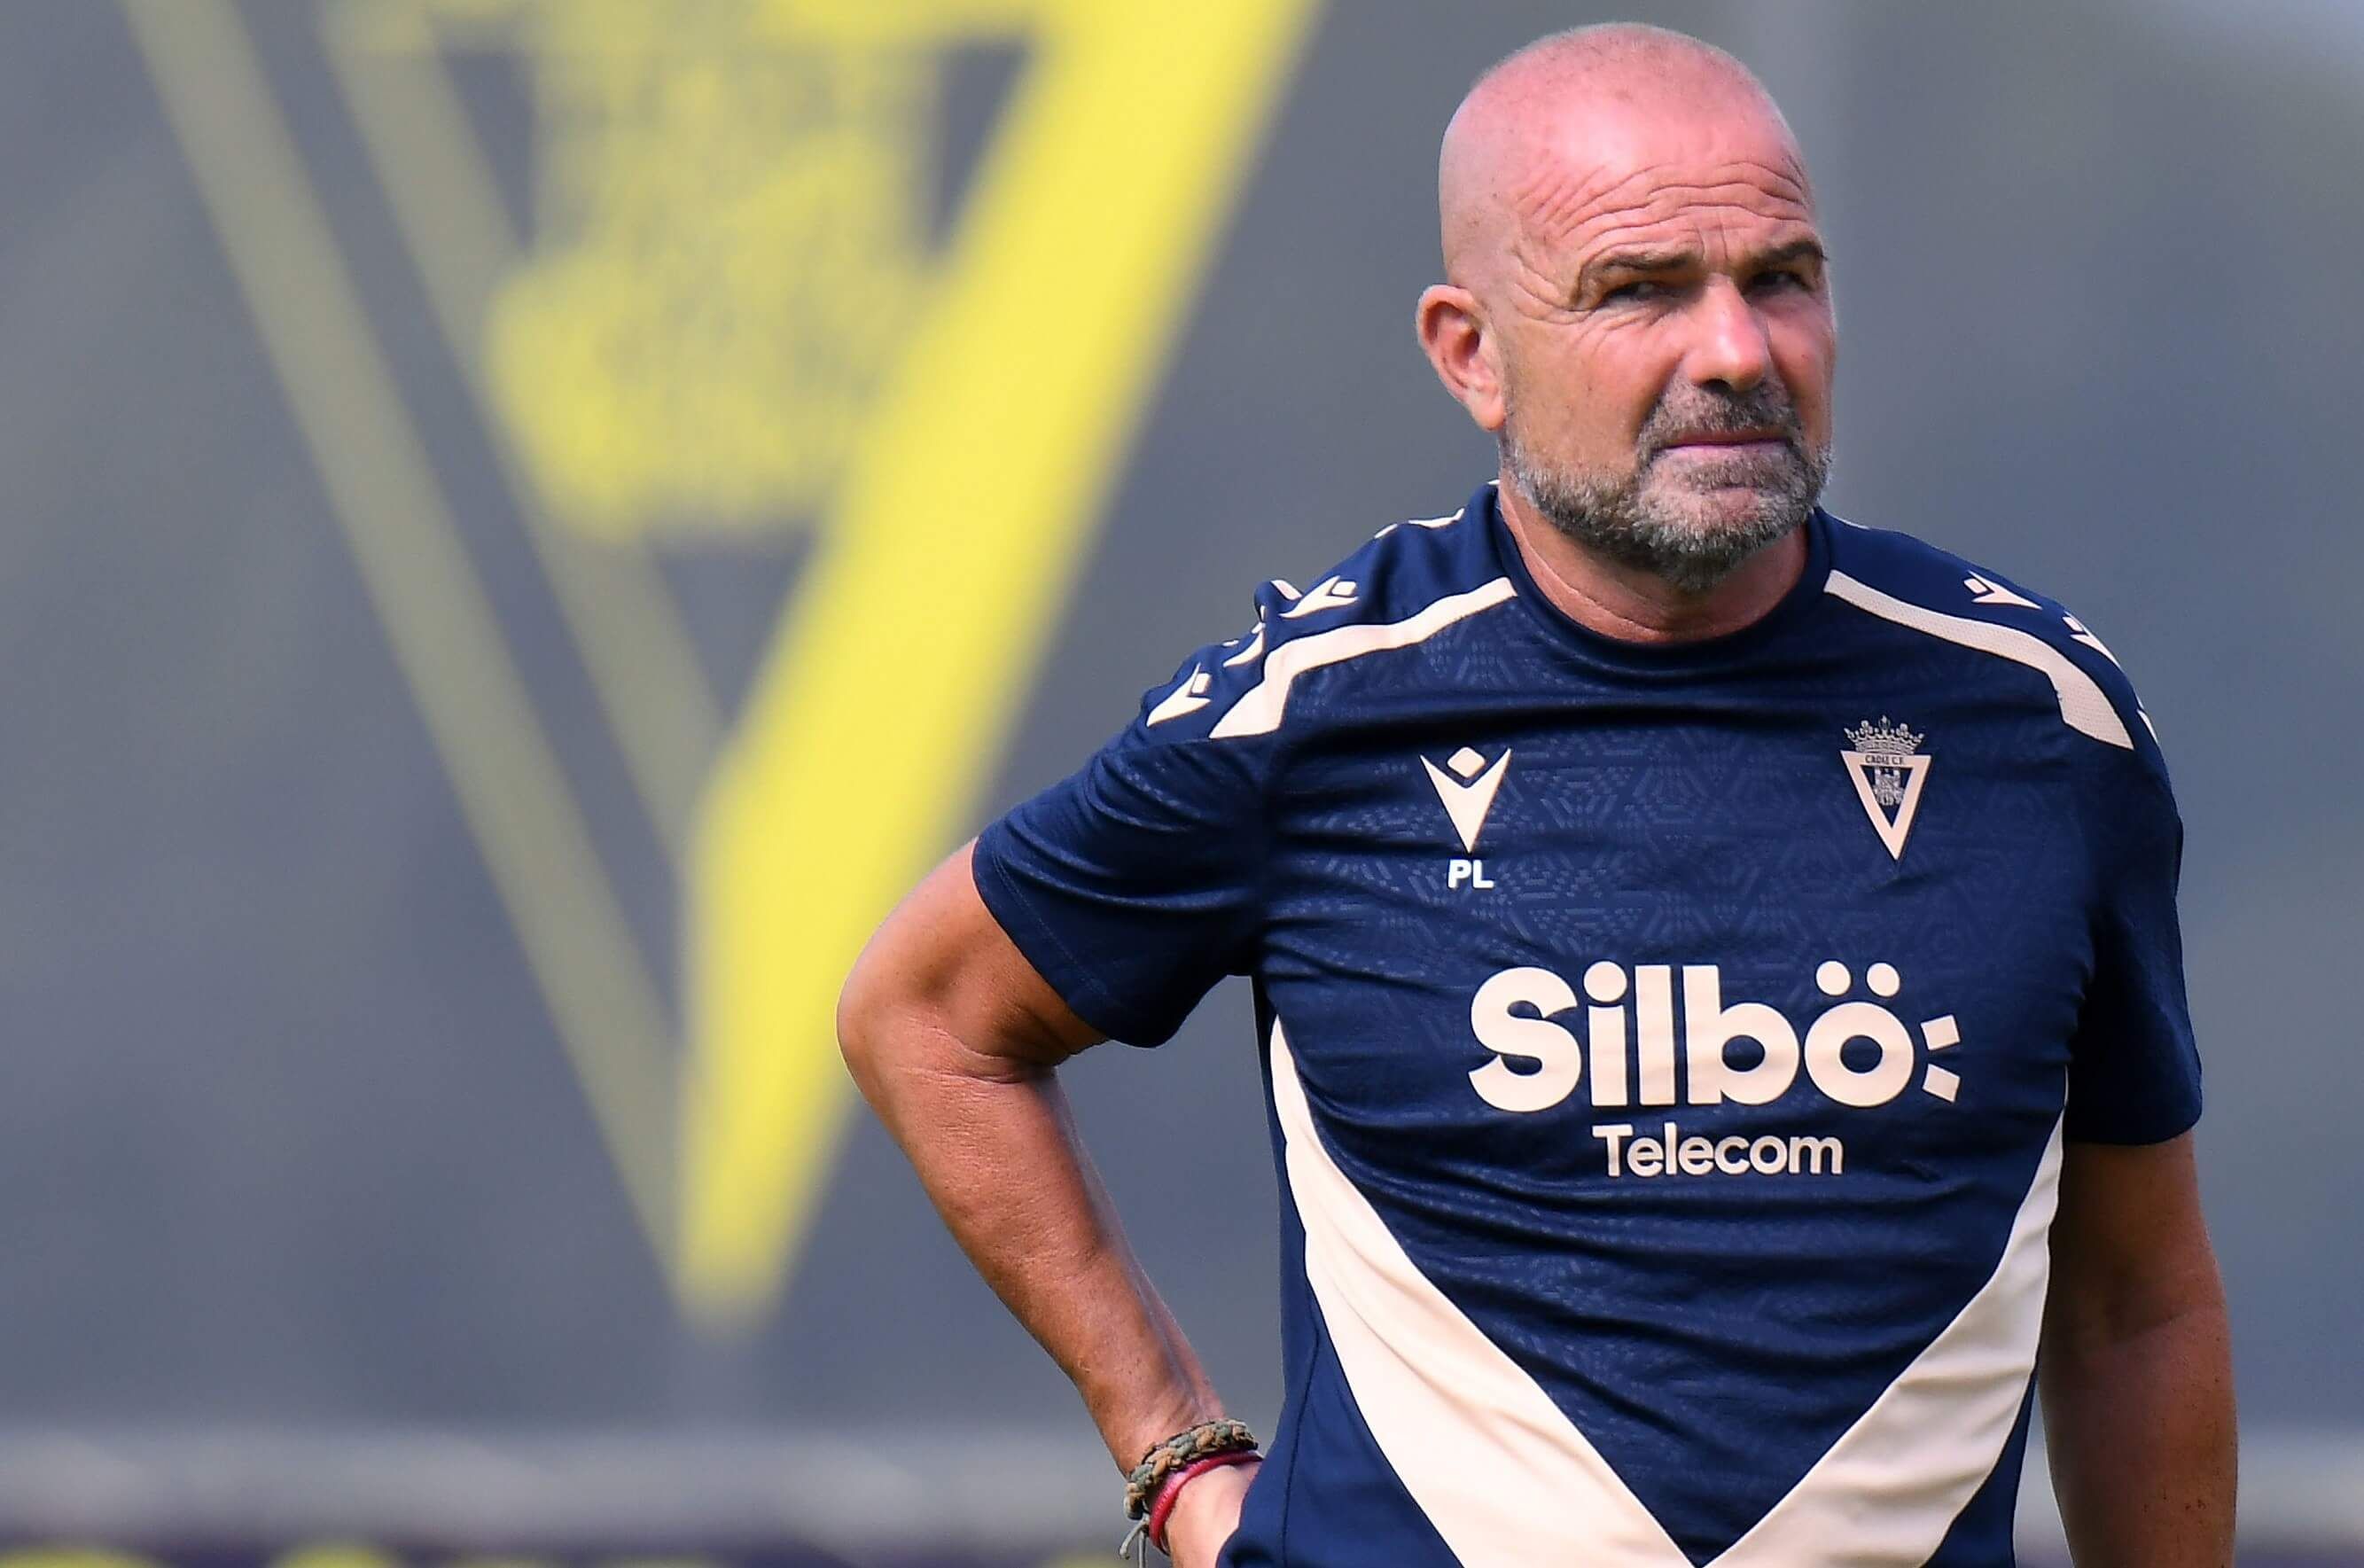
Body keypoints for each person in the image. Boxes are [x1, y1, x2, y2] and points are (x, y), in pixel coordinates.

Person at [839, 22, 2235, 1567]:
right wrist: (1175, 1452)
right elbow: (928, 1016)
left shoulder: (2045, 723)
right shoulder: (1316, 707)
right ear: (1471, 354)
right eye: (1640, 290)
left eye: (1782, 277)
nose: (1737, 349)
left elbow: (2136, 1306)